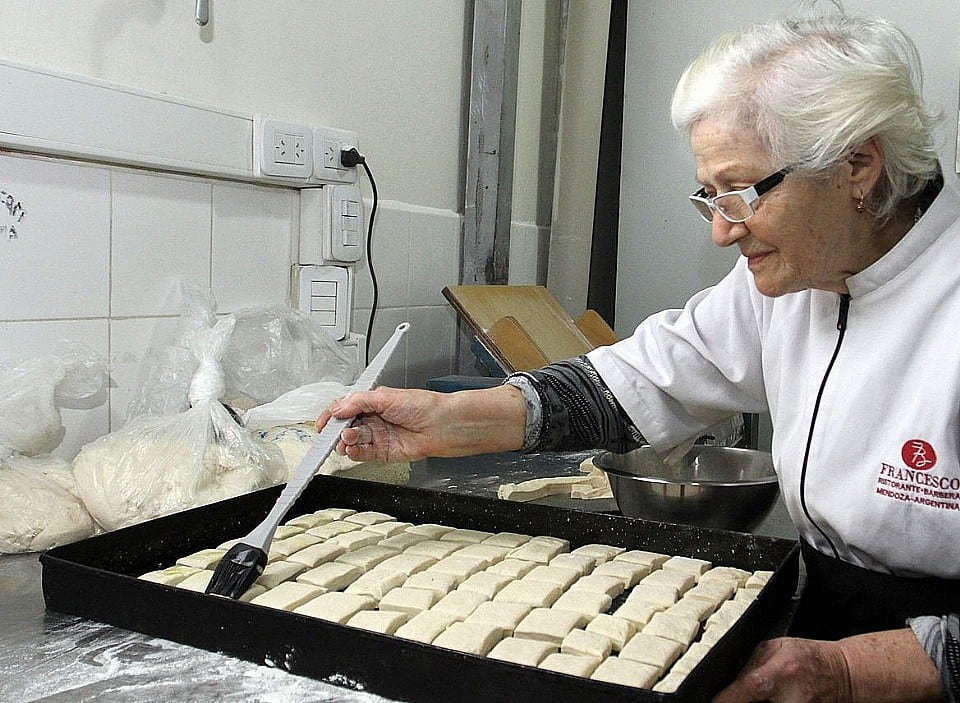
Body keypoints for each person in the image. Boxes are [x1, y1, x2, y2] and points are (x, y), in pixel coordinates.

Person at [317, 12, 959, 703]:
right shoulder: (788, 280)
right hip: (819, 617)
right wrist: (450, 421)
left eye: (740, 192)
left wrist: (852, 671)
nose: (720, 231)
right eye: (708, 196)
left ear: (856, 166)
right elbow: (637, 380)